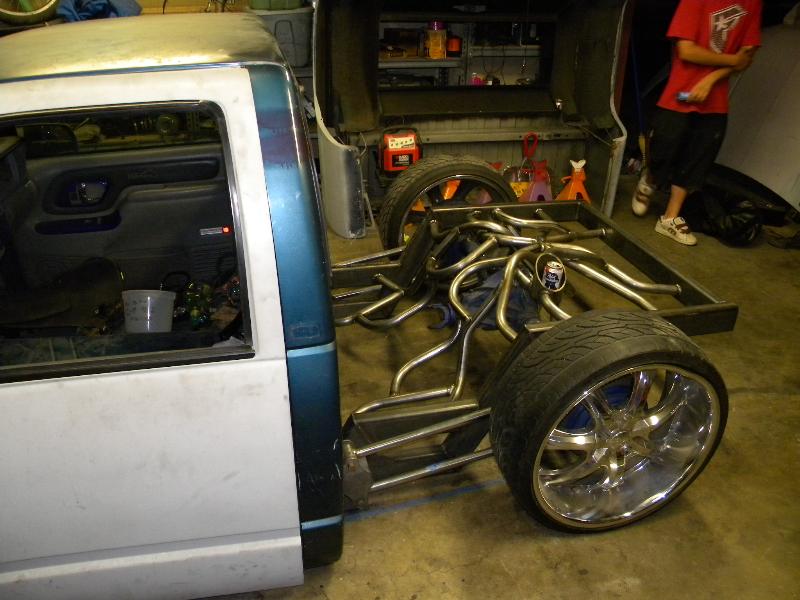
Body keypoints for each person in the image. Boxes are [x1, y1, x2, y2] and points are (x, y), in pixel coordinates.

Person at [632, 0, 762, 245]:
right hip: (681, 93)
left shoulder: (752, 3)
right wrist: (731, 60)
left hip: (714, 98)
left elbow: (746, 57)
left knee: (698, 156)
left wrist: (711, 79)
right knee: (664, 146)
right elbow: (687, 51)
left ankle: (670, 218)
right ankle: (650, 178)